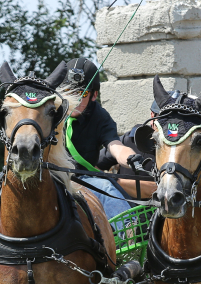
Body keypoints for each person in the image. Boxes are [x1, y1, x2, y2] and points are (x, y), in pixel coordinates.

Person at [62, 58, 153, 220]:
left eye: (82, 93)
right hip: (51, 174)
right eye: (68, 91)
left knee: (108, 188)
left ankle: (127, 236)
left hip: (81, 179)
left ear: (94, 95)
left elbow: (115, 145)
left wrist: (130, 158)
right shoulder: (50, 110)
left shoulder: (101, 117)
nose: (74, 99)